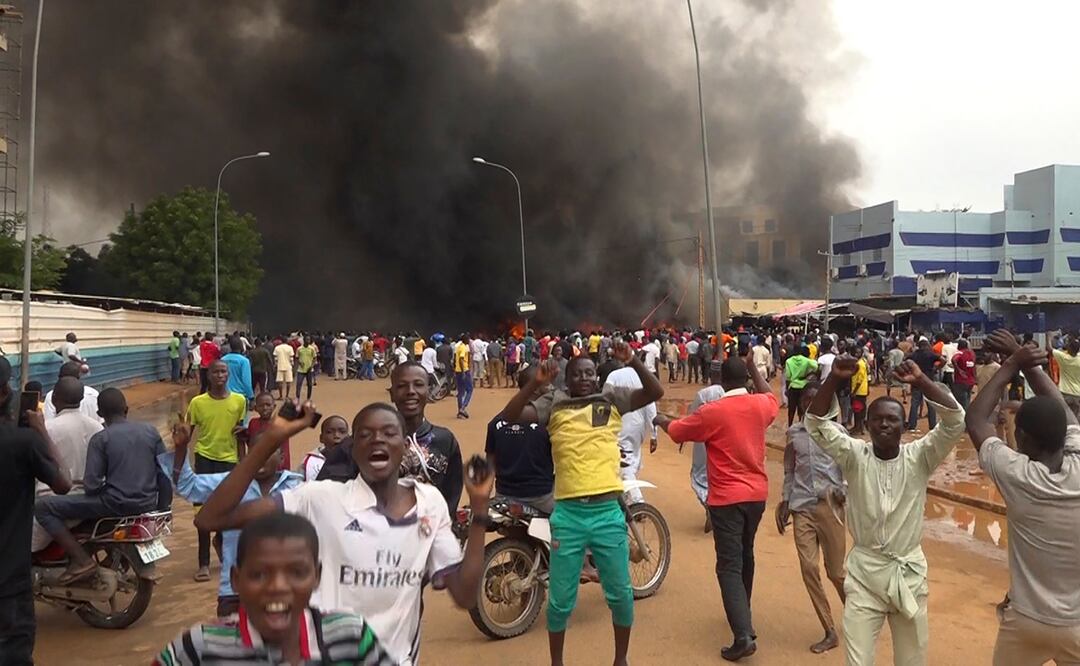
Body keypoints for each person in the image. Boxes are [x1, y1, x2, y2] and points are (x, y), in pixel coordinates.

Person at [193, 402, 492, 666]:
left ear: (404, 446)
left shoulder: (430, 502)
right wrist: (271, 438)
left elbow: (465, 596)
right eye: (364, 434)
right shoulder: (320, 499)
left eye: (389, 433)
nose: (377, 439)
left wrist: (479, 509)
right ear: (352, 448)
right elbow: (210, 518)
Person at [500, 342, 663, 666]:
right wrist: (536, 382)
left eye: (590, 372)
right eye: (578, 374)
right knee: (560, 603)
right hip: (569, 517)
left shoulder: (612, 399)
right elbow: (510, 415)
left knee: (620, 596)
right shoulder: (553, 403)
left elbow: (654, 391)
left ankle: (621, 659)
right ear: (567, 380)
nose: (585, 378)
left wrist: (632, 360)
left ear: (597, 378)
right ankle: (557, 662)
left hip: (607, 514)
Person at [805, 356, 965, 665]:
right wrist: (835, 379)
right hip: (865, 575)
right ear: (866, 426)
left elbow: (955, 421)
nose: (884, 424)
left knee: (911, 659)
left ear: (905, 426)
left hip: (908, 575)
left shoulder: (920, 456)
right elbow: (815, 424)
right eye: (877, 419)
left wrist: (921, 381)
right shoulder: (854, 455)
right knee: (858, 660)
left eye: (892, 419)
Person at [965, 329, 1080, 665]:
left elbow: (975, 419)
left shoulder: (1016, 475)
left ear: (1023, 438)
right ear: (1065, 438)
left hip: (1026, 621)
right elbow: (1064, 415)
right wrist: (1026, 362)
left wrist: (1014, 361)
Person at [655, 351, 777, 661]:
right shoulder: (761, 404)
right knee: (746, 553)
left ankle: (742, 635)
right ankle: (743, 618)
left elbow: (679, 431)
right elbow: (769, 395)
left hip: (726, 499)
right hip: (757, 496)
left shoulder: (713, 411)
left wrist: (660, 418)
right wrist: (754, 367)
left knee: (728, 565)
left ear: (720, 380)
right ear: (746, 379)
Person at [154, 513, 395, 665]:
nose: (278, 587)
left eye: (297, 573)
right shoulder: (199, 648)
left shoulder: (349, 636)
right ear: (236, 580)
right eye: (259, 574)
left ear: (317, 577)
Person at [35, 387, 165, 584]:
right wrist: (162, 506)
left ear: (100, 414)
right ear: (126, 409)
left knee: (42, 507)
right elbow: (164, 474)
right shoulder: (150, 432)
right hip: (148, 505)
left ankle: (80, 560)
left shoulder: (101, 438)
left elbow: (92, 486)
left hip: (114, 504)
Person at [159, 441, 302, 618]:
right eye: (255, 453)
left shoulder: (298, 487)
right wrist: (180, 449)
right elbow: (188, 487)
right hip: (235, 591)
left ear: (281, 458)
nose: (260, 459)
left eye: (268, 453)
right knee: (232, 643)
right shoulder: (231, 485)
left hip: (285, 588)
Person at [0, 357, 72, 663]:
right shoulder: (23, 442)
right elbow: (64, 482)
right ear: (5, 393)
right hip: (8, 582)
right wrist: (41, 431)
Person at [776, 383, 847, 654]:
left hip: (831, 509)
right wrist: (785, 500)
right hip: (802, 507)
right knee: (809, 568)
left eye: (816, 400)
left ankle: (858, 616)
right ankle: (829, 629)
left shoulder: (838, 434)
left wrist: (845, 493)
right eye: (806, 400)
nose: (810, 405)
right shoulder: (794, 434)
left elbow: (850, 469)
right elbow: (789, 470)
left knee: (836, 572)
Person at [175, 359, 248, 582]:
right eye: (215, 372)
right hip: (205, 459)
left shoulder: (239, 401)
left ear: (228, 375)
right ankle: (204, 563)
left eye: (223, 372)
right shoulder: (197, 403)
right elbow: (188, 431)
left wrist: (243, 463)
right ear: (209, 376)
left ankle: (226, 551)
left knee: (229, 511)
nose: (220, 375)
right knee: (202, 512)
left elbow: (240, 434)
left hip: (229, 460)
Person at [31, 378, 104, 552]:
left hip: (52, 503)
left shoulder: (46, 429)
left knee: (18, 544)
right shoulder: (97, 428)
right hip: (87, 501)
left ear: (55, 398)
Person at [485, 365, 556, 513]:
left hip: (504, 496)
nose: (551, 388)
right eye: (548, 384)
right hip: (543, 497)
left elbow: (490, 465)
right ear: (536, 388)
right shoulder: (548, 425)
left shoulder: (495, 423)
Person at [605, 360, 659, 505]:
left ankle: (636, 499)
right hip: (639, 427)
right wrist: (654, 434)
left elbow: (605, 398)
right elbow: (651, 407)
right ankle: (628, 495)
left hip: (620, 422)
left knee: (625, 460)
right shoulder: (645, 377)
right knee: (633, 457)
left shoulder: (614, 375)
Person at [686, 361, 725, 533]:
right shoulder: (731, 394)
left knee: (699, 475)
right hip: (725, 441)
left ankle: (709, 504)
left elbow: (692, 417)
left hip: (704, 440)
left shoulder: (703, 394)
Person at [906, 338, 945, 432]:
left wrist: (910, 371)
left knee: (915, 403)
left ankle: (912, 426)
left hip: (916, 381)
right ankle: (932, 425)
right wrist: (936, 368)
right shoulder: (931, 354)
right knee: (931, 404)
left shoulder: (914, 355)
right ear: (927, 346)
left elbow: (905, 360)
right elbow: (943, 360)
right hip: (928, 381)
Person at [247, 392, 291, 470]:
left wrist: (283, 468)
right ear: (256, 408)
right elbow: (251, 444)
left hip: (276, 467)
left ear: (274, 407)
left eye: (268, 405)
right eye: (261, 405)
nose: (265, 408)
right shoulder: (253, 423)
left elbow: (284, 450)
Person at [301, 415, 349, 482]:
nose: (336, 436)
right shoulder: (310, 461)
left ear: (348, 437)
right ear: (321, 438)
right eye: (329, 432)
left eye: (342, 432)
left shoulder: (355, 459)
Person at [784, 346, 818, 427]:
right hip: (803, 386)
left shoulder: (789, 361)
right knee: (801, 407)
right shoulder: (806, 360)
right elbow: (816, 366)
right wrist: (808, 374)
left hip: (793, 386)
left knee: (791, 409)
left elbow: (788, 376)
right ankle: (801, 424)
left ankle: (790, 425)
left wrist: (787, 388)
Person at [1050, 332, 1080, 418]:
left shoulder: (1063, 358)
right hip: (1078, 393)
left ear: (1069, 349)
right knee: (1075, 415)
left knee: (1064, 415)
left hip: (1065, 392)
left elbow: (1049, 348)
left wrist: (1048, 336)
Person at [222, 336, 256, 405]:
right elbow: (246, 381)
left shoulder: (223, 359)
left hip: (225, 394)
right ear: (241, 347)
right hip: (240, 395)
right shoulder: (244, 361)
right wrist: (251, 396)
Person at [950, 339, 977, 409]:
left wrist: (958, 369)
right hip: (971, 380)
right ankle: (967, 414)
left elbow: (953, 359)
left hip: (961, 380)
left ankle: (963, 417)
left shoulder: (959, 353)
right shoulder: (972, 353)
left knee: (961, 402)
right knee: (967, 399)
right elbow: (974, 366)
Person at [850, 347, 870, 435]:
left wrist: (854, 391)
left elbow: (860, 379)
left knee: (858, 410)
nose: (856, 354)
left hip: (859, 391)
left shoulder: (860, 364)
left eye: (858, 353)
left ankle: (858, 428)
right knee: (859, 409)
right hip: (861, 389)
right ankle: (858, 427)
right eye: (855, 352)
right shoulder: (861, 362)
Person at [454, 333, 473, 419]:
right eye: (468, 339)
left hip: (457, 370)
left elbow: (455, 359)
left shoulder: (458, 346)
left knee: (460, 392)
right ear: (466, 340)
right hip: (464, 370)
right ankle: (463, 408)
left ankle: (459, 412)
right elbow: (461, 359)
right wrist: (463, 372)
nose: (469, 340)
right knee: (470, 390)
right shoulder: (464, 347)